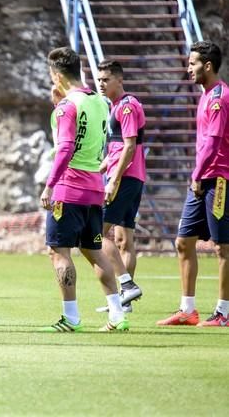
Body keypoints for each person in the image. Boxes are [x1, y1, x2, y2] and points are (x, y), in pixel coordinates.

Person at [40, 46, 128, 333]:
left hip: (68, 188)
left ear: (56, 75)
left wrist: (50, 185)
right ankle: (117, 314)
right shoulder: (100, 102)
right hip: (94, 187)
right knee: (94, 251)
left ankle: (71, 317)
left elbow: (65, 147)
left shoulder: (68, 106)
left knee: (58, 251)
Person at [157, 40, 229, 327]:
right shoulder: (206, 94)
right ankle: (187, 309)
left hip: (218, 180)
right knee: (183, 242)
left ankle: (223, 312)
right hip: (201, 178)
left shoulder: (219, 98)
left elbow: (212, 143)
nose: (188, 68)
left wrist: (197, 176)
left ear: (207, 65)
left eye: (192, 63)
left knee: (223, 247)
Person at [93, 60, 144, 314]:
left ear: (119, 80)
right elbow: (116, 148)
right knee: (124, 239)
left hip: (125, 178)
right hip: (125, 176)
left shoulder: (126, 106)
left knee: (95, 233)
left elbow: (130, 145)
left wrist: (113, 179)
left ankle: (127, 283)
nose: (101, 84)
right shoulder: (114, 106)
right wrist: (101, 168)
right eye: (99, 79)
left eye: (106, 79)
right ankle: (125, 301)